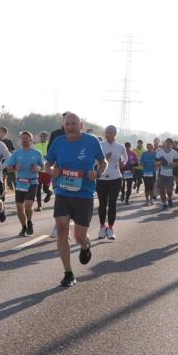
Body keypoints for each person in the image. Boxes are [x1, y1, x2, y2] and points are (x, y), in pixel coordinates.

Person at [45, 112, 106, 287]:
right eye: (67, 124)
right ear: (63, 126)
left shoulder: (91, 141)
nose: (70, 126)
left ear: (81, 125)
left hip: (84, 194)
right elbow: (47, 163)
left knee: (79, 237)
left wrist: (97, 172)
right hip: (63, 192)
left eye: (74, 123)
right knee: (62, 229)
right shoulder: (58, 142)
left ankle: (85, 245)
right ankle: (68, 273)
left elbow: (103, 162)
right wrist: (51, 171)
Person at [4, 131, 44, 236]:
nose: (24, 140)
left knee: (28, 205)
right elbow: (8, 169)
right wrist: (15, 167)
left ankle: (29, 221)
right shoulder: (16, 153)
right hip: (21, 182)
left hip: (33, 182)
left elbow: (42, 166)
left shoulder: (37, 153)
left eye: (26, 138)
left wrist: (37, 168)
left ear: (31, 140)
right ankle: (24, 227)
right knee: (19, 207)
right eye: (22, 138)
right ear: (20, 140)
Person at [96, 125, 128, 240]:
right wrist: (104, 157)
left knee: (112, 204)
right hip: (102, 178)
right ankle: (101, 227)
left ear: (114, 134)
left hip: (115, 177)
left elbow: (125, 158)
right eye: (106, 132)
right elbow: (95, 160)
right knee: (102, 204)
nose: (107, 134)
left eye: (110, 132)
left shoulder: (120, 146)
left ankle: (110, 228)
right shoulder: (100, 145)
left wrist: (122, 162)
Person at [155, 139, 178, 209]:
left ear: (171, 144)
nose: (168, 144)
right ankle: (164, 204)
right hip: (161, 174)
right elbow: (155, 163)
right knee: (161, 190)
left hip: (170, 175)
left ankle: (170, 198)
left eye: (169, 143)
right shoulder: (160, 152)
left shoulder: (174, 153)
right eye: (167, 143)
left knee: (169, 191)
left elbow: (177, 163)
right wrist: (159, 163)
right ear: (164, 143)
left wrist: (172, 164)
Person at [35, 131, 52, 210]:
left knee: (45, 189)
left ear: (47, 137)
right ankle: (39, 205)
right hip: (38, 171)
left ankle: (49, 193)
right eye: (41, 136)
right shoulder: (36, 146)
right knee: (37, 189)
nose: (42, 138)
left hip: (47, 171)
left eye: (44, 136)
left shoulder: (50, 145)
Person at [0, 126, 16, 193]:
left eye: (0, 131)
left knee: (6, 178)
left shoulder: (8, 141)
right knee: (1, 178)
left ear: (5, 132)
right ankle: (2, 191)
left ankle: (4, 191)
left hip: (8, 162)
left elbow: (12, 151)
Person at [121, 141, 138, 205]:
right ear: (124, 147)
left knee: (129, 186)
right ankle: (122, 193)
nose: (127, 148)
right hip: (121, 171)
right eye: (126, 147)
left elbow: (136, 164)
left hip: (129, 171)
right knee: (122, 185)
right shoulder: (121, 153)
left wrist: (133, 163)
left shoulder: (133, 154)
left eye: (128, 147)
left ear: (130, 147)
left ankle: (127, 199)